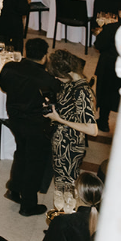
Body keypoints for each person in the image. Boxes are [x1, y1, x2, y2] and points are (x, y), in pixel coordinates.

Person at [0, 37, 59, 216]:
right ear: (44, 56)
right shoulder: (48, 79)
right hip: (36, 126)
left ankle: (14, 189)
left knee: (22, 152)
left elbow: (3, 86)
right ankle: (28, 205)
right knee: (34, 162)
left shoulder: (9, 68)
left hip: (15, 120)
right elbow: (53, 102)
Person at [47, 50, 99, 190]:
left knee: (66, 186)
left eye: (58, 76)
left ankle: (66, 211)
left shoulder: (81, 91)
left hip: (69, 145)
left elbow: (92, 130)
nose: (57, 79)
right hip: (63, 142)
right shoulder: (71, 82)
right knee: (61, 184)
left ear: (68, 73)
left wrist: (59, 119)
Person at [93, 10, 121, 131]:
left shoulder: (111, 27)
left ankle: (103, 121)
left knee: (105, 93)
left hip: (108, 65)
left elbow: (99, 45)